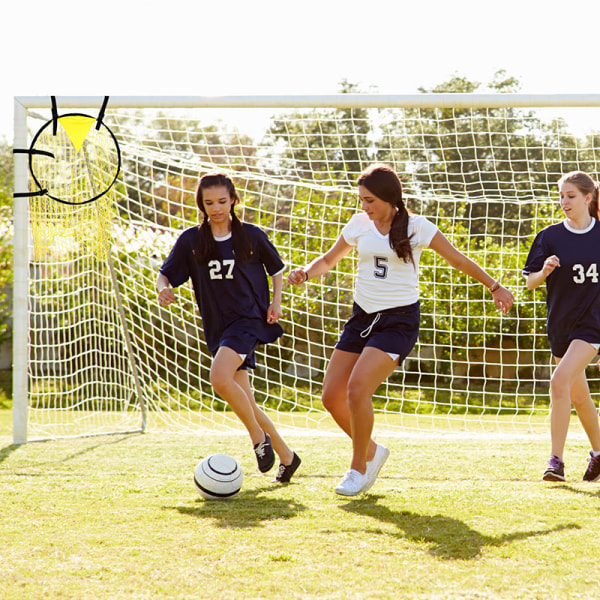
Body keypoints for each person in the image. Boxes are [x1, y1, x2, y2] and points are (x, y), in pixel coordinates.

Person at [287, 164, 514, 496]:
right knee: (331, 396)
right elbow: (329, 259)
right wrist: (305, 272)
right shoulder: (359, 224)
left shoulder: (417, 227)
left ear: (390, 198)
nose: (365, 206)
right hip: (361, 318)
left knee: (357, 389)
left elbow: (458, 259)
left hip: (398, 321)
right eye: (362, 200)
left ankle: (358, 468)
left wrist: (495, 286)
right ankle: (372, 451)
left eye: (370, 200)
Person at [157, 172, 301, 483]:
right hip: (217, 326)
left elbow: (277, 269)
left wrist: (276, 304)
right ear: (202, 204)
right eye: (209, 202)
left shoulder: (250, 235)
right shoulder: (191, 240)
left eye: (222, 201)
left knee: (219, 378)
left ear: (233, 200)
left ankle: (258, 440)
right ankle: (288, 457)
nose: (216, 207)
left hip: (248, 320)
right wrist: (163, 289)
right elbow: (165, 274)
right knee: (245, 398)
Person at [523, 170, 600, 483]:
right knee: (578, 397)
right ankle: (598, 453)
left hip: (592, 326)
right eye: (561, 196)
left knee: (558, 382)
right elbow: (530, 282)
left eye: (570, 196)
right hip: (560, 326)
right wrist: (544, 271)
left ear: (587, 198)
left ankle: (555, 461)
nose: (564, 202)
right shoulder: (550, 236)